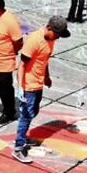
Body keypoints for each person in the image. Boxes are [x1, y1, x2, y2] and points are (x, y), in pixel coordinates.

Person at [13, 16, 70, 163]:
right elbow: (22, 66)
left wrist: (47, 77)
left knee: (33, 112)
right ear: (49, 28)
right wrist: (20, 87)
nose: (57, 38)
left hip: (38, 83)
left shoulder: (51, 40)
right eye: (56, 34)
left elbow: (44, 61)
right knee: (26, 115)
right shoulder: (34, 40)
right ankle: (18, 148)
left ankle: (23, 136)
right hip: (29, 85)